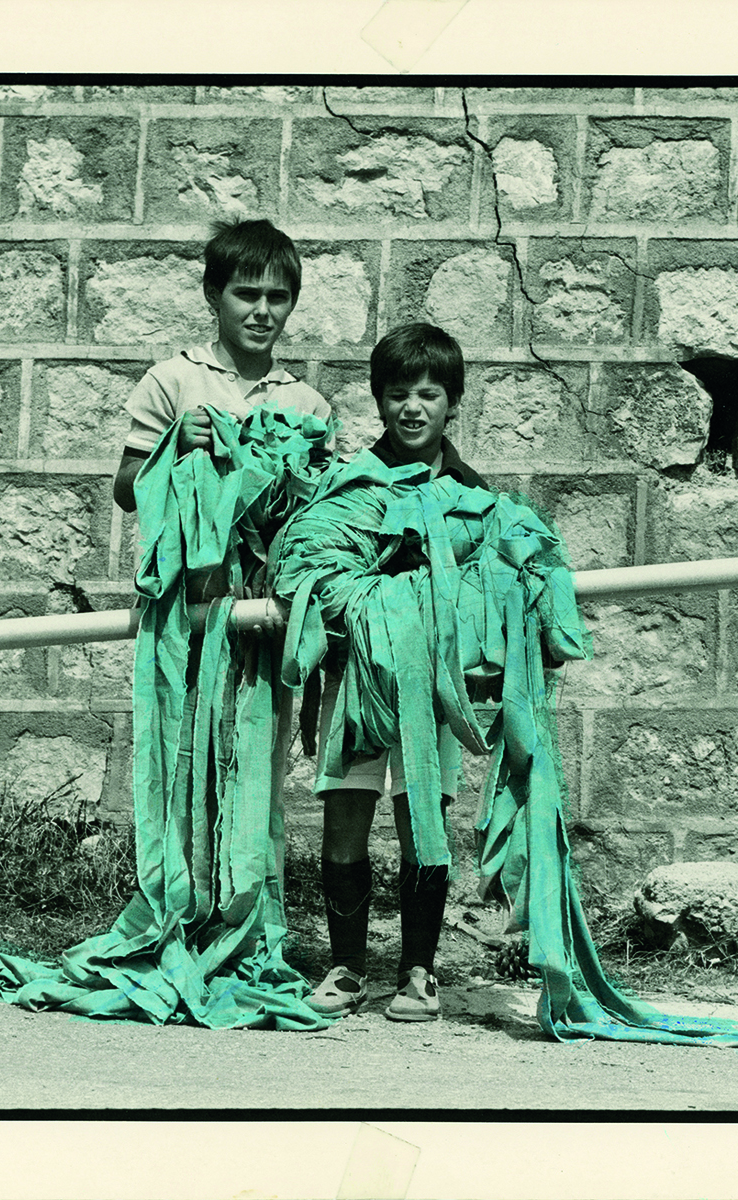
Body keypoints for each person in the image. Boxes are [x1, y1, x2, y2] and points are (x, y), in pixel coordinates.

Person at [305, 322, 487, 1023]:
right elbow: (322, 570)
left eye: (429, 394)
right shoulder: (353, 483)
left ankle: (417, 972)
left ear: (452, 402)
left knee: (424, 818)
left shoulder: (471, 494)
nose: (413, 407)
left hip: (429, 685)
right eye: (397, 394)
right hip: (356, 677)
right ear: (378, 402)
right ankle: (347, 967)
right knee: (345, 813)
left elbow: (483, 594)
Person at [112, 218, 331, 511]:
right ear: (213, 294)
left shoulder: (310, 406)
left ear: (292, 302)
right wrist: (174, 447)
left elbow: (321, 510)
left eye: (277, 297)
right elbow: (125, 496)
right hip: (182, 558)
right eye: (247, 295)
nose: (262, 311)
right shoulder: (171, 381)